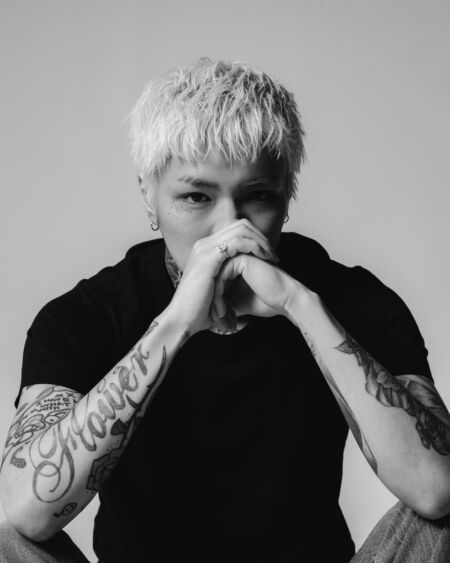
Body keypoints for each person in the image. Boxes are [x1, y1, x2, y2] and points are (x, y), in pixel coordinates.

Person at [1, 57, 450, 563]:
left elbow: (436, 491)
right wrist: (176, 323)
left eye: (257, 196)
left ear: (287, 196)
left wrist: (301, 305)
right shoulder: (85, 316)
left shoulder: (351, 300)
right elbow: (25, 514)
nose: (230, 229)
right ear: (148, 196)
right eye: (196, 196)